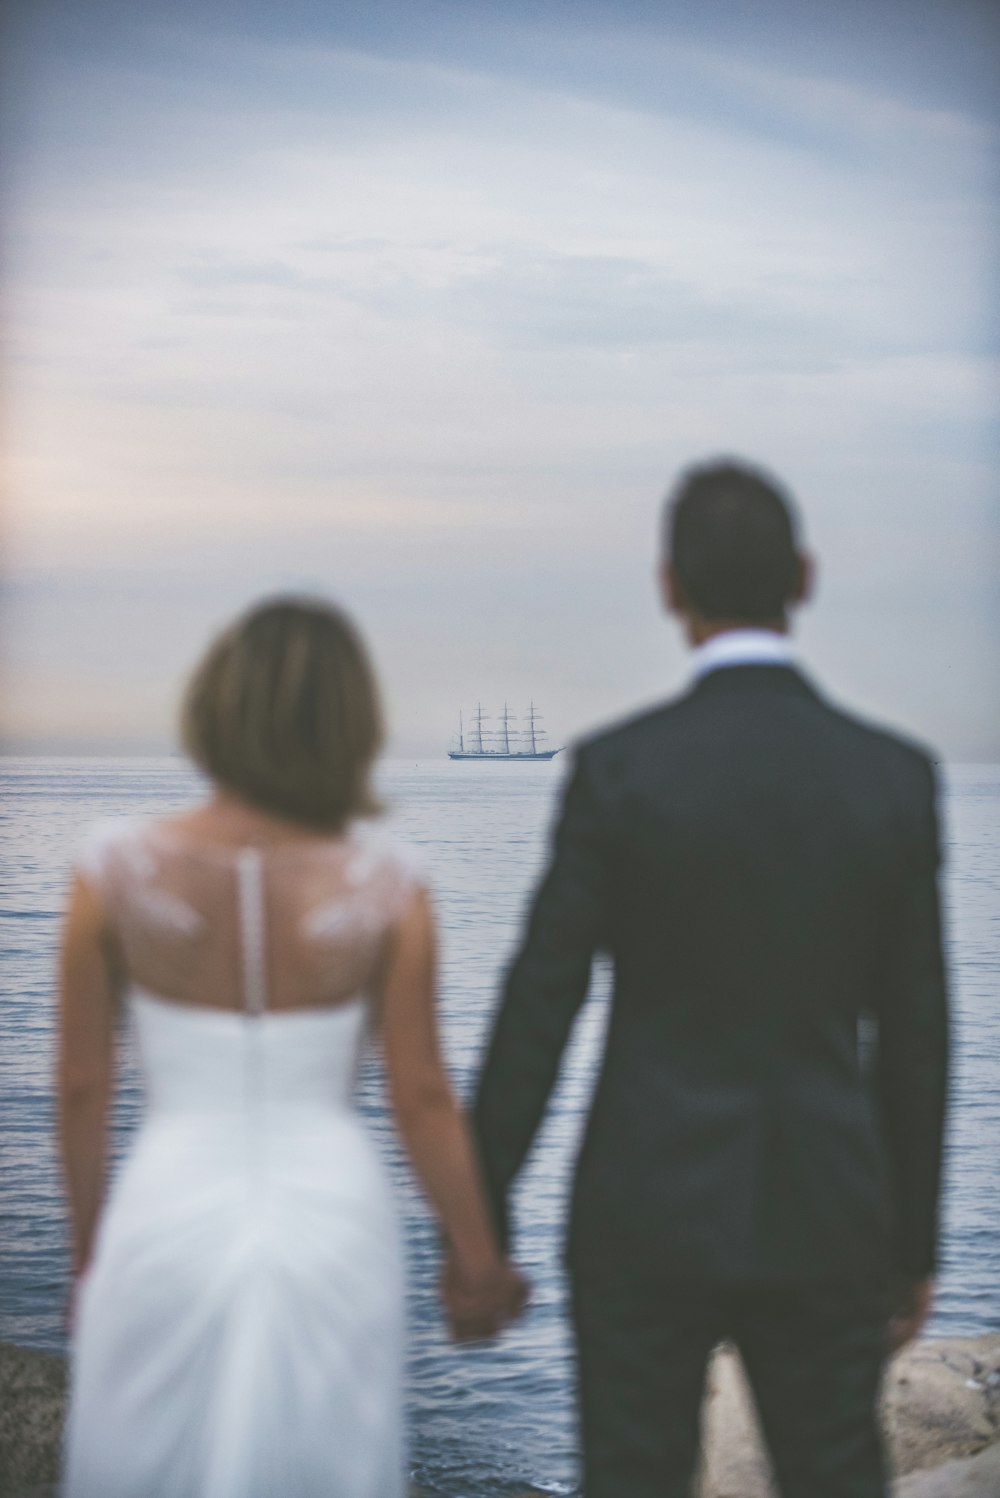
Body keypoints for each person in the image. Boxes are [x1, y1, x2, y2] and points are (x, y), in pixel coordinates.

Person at [470, 460, 949, 1498]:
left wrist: (482, 1213)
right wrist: (910, 1245)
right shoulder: (889, 776)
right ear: (805, 577)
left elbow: (537, 1003)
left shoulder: (619, 770)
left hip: (640, 1208)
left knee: (632, 1480)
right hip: (824, 1211)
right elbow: (915, 1038)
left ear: (668, 587)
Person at [58, 596, 526, 1498]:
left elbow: (83, 1087)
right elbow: (422, 1097)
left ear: (212, 707)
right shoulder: (390, 886)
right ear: (352, 725)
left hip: (166, 1208)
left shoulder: (111, 870)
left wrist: (90, 1256)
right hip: (333, 1219)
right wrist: (476, 1263)